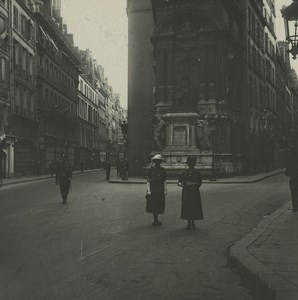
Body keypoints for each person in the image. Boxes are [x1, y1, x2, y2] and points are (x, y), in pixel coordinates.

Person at [178, 156, 204, 229]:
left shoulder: (197, 173)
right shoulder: (184, 172)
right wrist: (185, 184)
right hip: (186, 191)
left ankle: (193, 222)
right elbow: (179, 182)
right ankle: (188, 222)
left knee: (194, 206)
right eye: (189, 163)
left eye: (192, 163)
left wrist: (193, 185)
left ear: (194, 164)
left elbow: (200, 182)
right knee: (187, 207)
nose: (191, 165)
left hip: (194, 192)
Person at [145, 154, 167, 226]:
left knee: (159, 204)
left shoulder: (163, 170)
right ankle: (155, 219)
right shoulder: (150, 170)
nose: (157, 162)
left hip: (160, 188)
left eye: (158, 161)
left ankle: (156, 219)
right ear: (154, 161)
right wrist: (148, 190)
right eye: (156, 161)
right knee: (153, 204)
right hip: (153, 188)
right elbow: (148, 180)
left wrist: (165, 189)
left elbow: (164, 180)